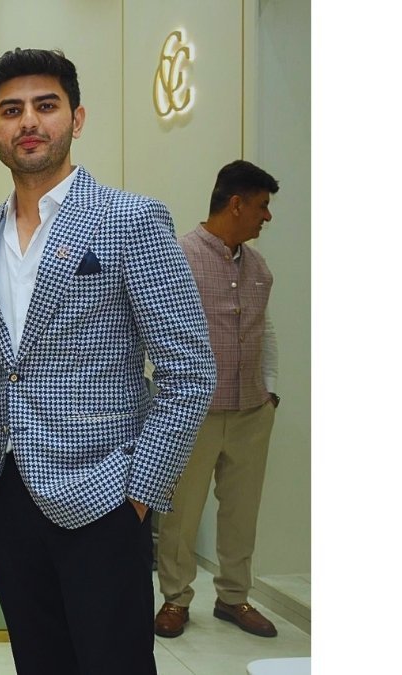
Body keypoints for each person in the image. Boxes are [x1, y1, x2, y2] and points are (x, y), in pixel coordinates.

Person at [0, 49, 216, 674]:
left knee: (114, 661)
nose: (28, 121)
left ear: (76, 118)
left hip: (105, 490)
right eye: (11, 110)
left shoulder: (131, 219)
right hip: (4, 488)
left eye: (45, 106)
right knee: (38, 659)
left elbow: (188, 369)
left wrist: (140, 491)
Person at [154, 160, 282, 639]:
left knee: (242, 513)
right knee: (181, 512)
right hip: (193, 413)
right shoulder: (178, 256)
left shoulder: (259, 267)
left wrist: (270, 390)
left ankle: (233, 597)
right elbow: (153, 328)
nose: (267, 216)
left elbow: (265, 329)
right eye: (262, 206)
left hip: (251, 411)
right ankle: (175, 599)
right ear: (236, 204)